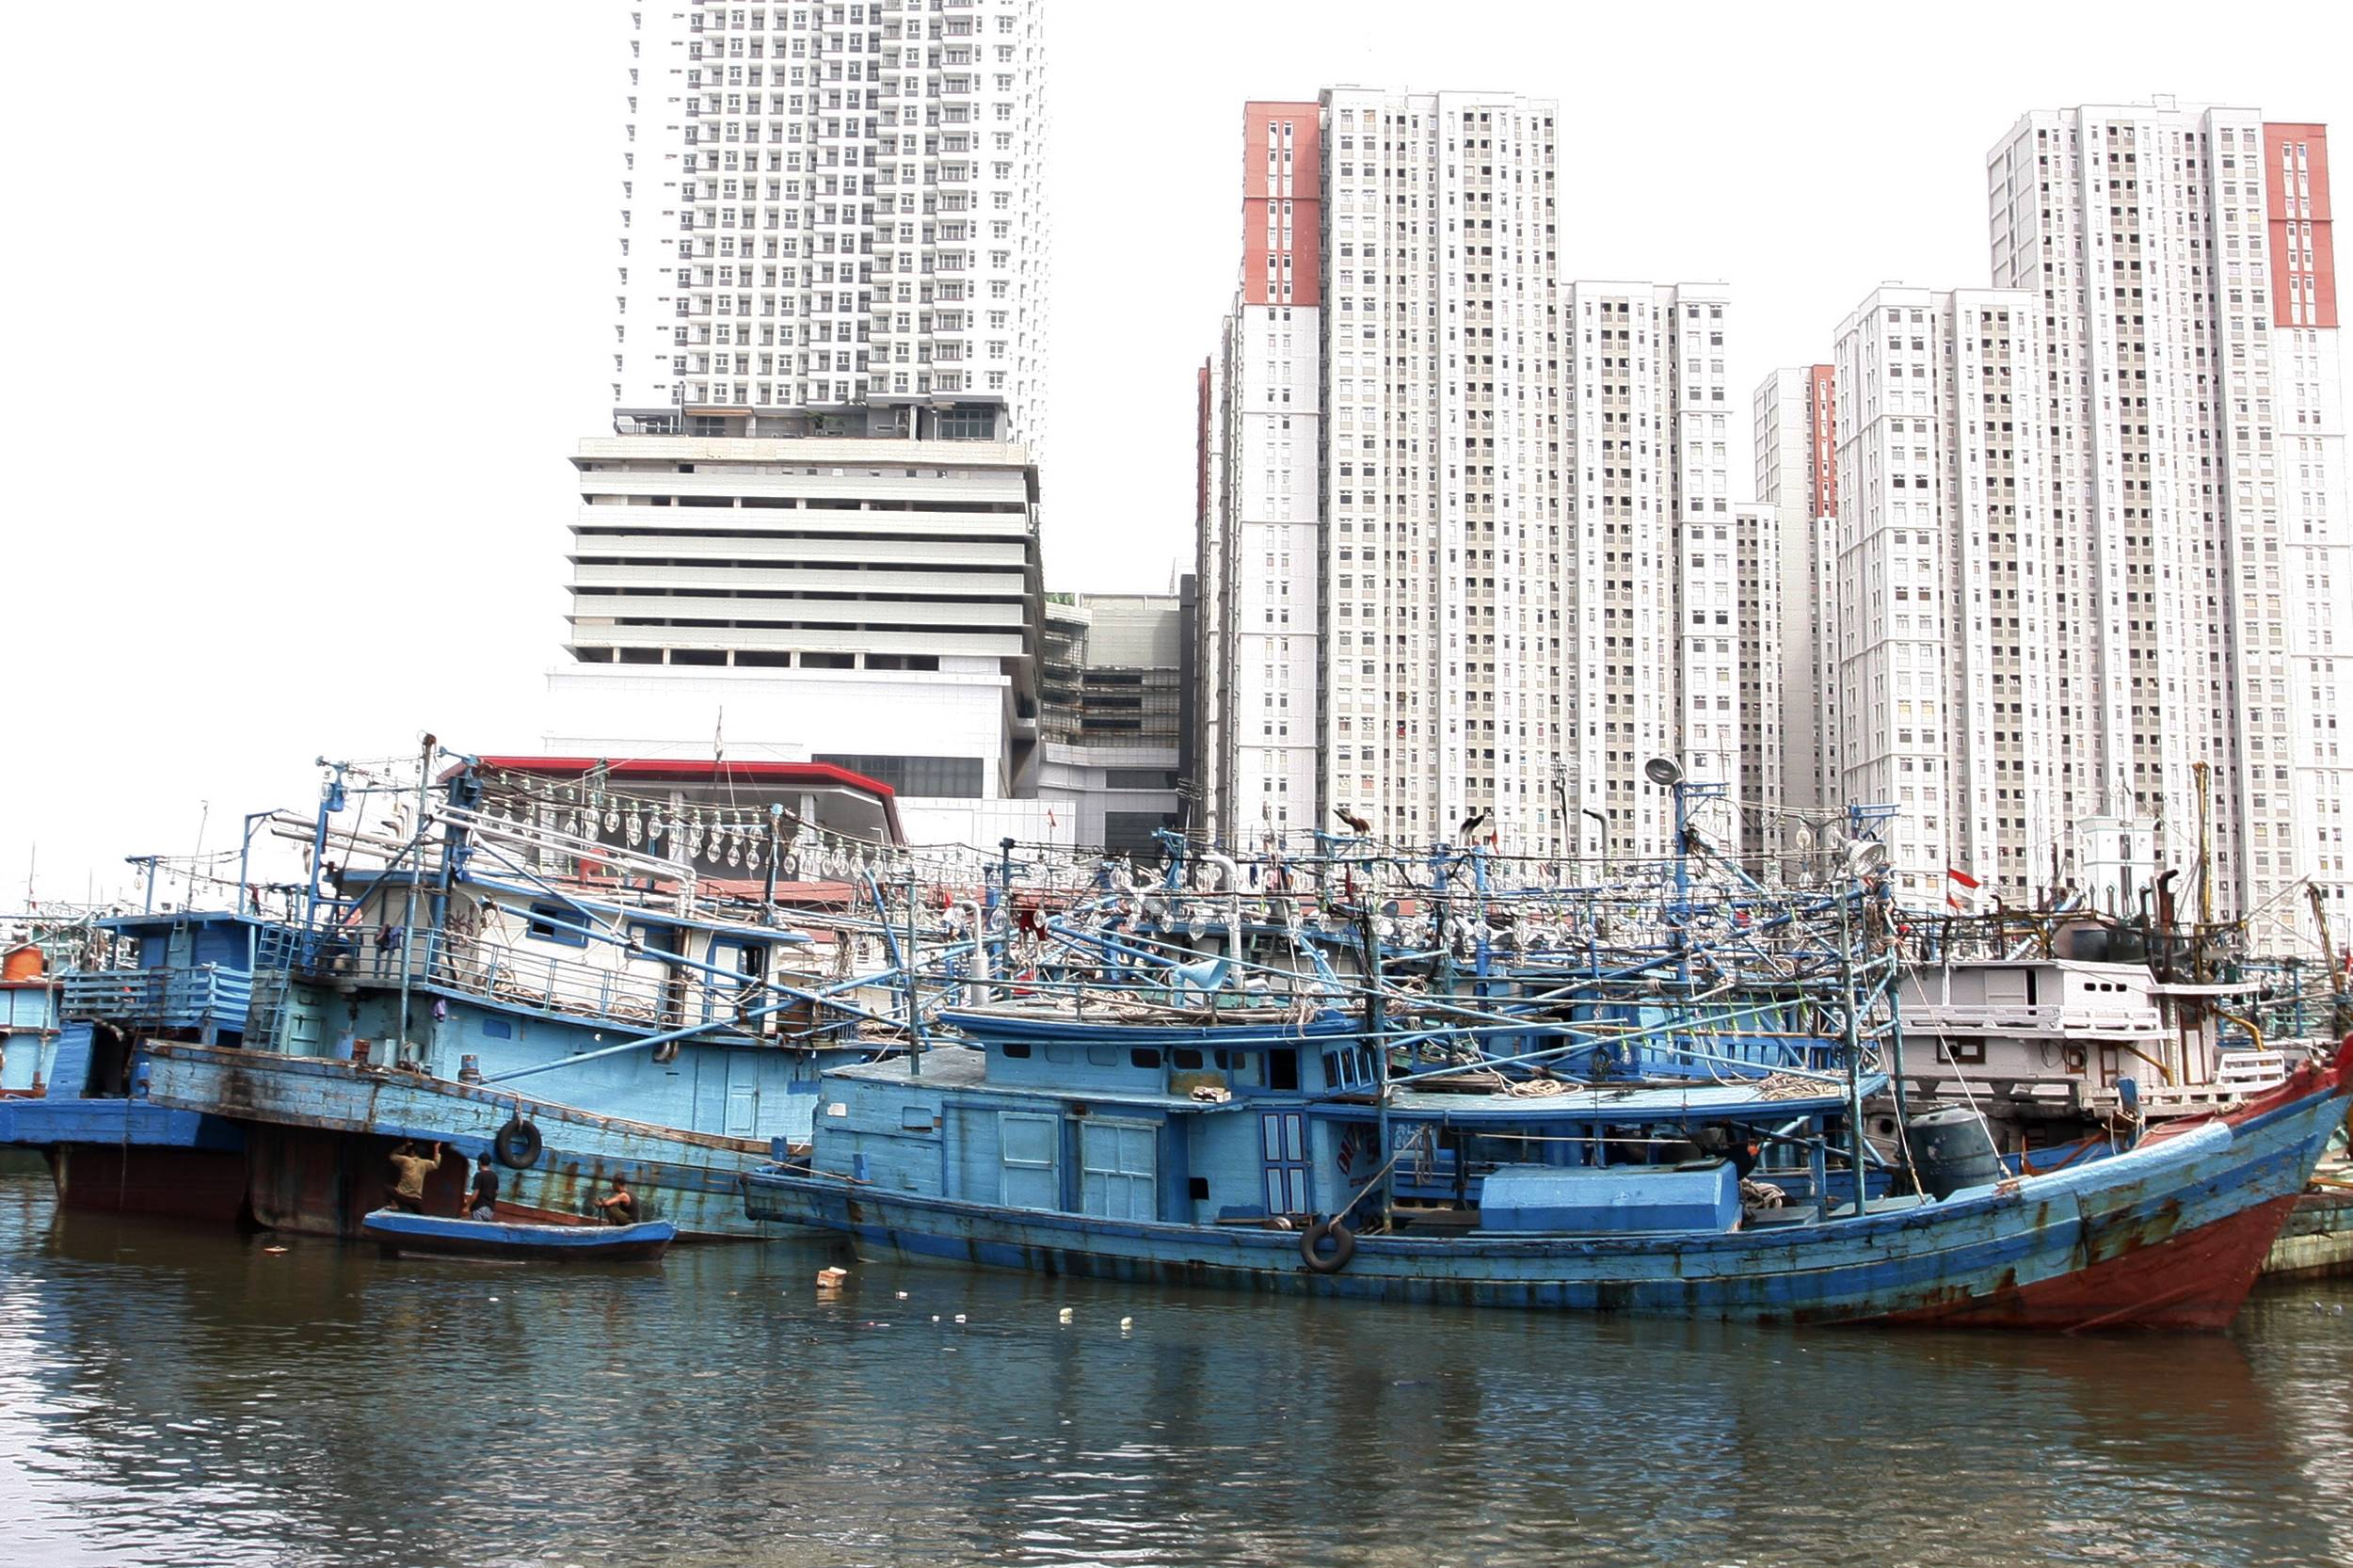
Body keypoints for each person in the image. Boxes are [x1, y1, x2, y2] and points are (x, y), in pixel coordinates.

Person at [386, 1140, 445, 1213]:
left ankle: (394, 1205)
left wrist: (404, 1146)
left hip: (402, 1197)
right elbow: (436, 1164)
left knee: (387, 1188)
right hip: (415, 1200)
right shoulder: (425, 1163)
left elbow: (392, 1156)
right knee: (419, 1213)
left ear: (412, 1152)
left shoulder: (406, 1160)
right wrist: (436, 1148)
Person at [466, 1154, 500, 1222]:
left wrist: (467, 1206)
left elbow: (475, 1194)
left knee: (476, 1227)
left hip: (479, 1207)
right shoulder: (494, 1176)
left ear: (479, 1162)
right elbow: (496, 1192)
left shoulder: (479, 1175)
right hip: (490, 1210)